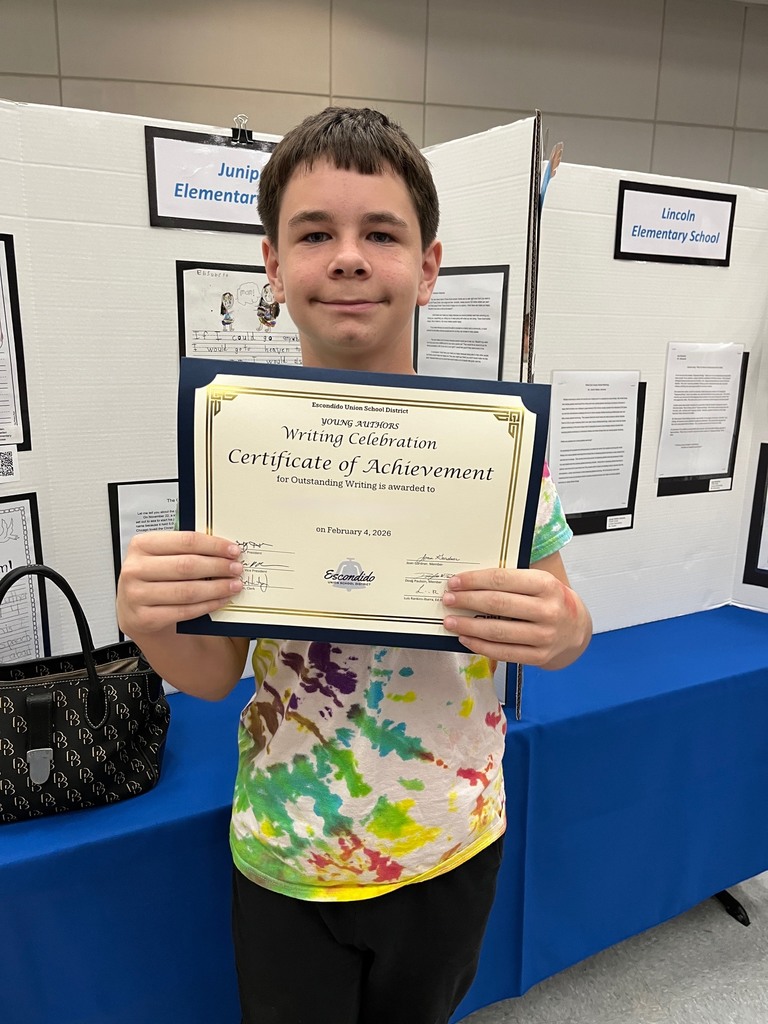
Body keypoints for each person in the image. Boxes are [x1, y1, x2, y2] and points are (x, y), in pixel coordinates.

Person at [116, 106, 592, 1024]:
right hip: (287, 853)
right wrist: (149, 622)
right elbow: (213, 675)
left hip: (447, 845)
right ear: (271, 264)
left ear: (430, 267)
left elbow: (559, 632)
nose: (348, 257)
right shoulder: (234, 450)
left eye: (382, 233)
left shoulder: (498, 453)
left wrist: (566, 630)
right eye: (314, 233)